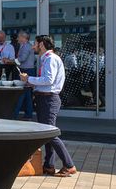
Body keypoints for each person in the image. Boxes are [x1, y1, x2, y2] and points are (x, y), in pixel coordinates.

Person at [20, 35, 77, 177]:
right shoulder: (47, 58)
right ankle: (49, 165)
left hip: (49, 99)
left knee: (51, 134)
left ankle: (69, 165)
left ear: (42, 45)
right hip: (45, 99)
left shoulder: (50, 59)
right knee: (47, 133)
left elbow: (48, 80)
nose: (33, 46)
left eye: (35, 43)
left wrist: (29, 79)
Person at [13, 32, 36, 119]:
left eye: (19, 37)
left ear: (23, 38)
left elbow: (22, 59)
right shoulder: (25, 45)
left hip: (27, 71)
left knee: (22, 93)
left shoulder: (26, 46)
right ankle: (28, 114)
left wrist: (10, 60)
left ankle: (15, 114)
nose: (17, 39)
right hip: (27, 70)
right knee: (27, 94)